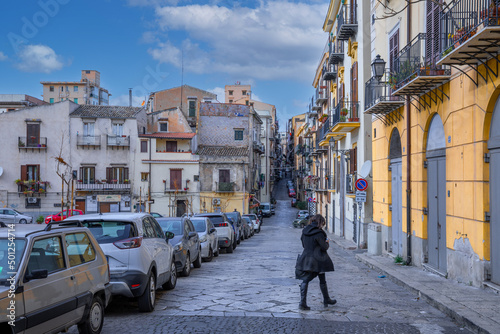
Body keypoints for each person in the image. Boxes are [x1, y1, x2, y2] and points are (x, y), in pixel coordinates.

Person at [295, 214, 336, 310]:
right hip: (318, 260)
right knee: (308, 279)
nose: (322, 226)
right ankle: (302, 303)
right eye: (323, 223)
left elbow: (303, 245)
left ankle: (326, 299)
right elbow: (324, 247)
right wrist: (327, 242)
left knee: (319, 278)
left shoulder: (305, 231)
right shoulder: (319, 233)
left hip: (306, 258)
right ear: (320, 222)